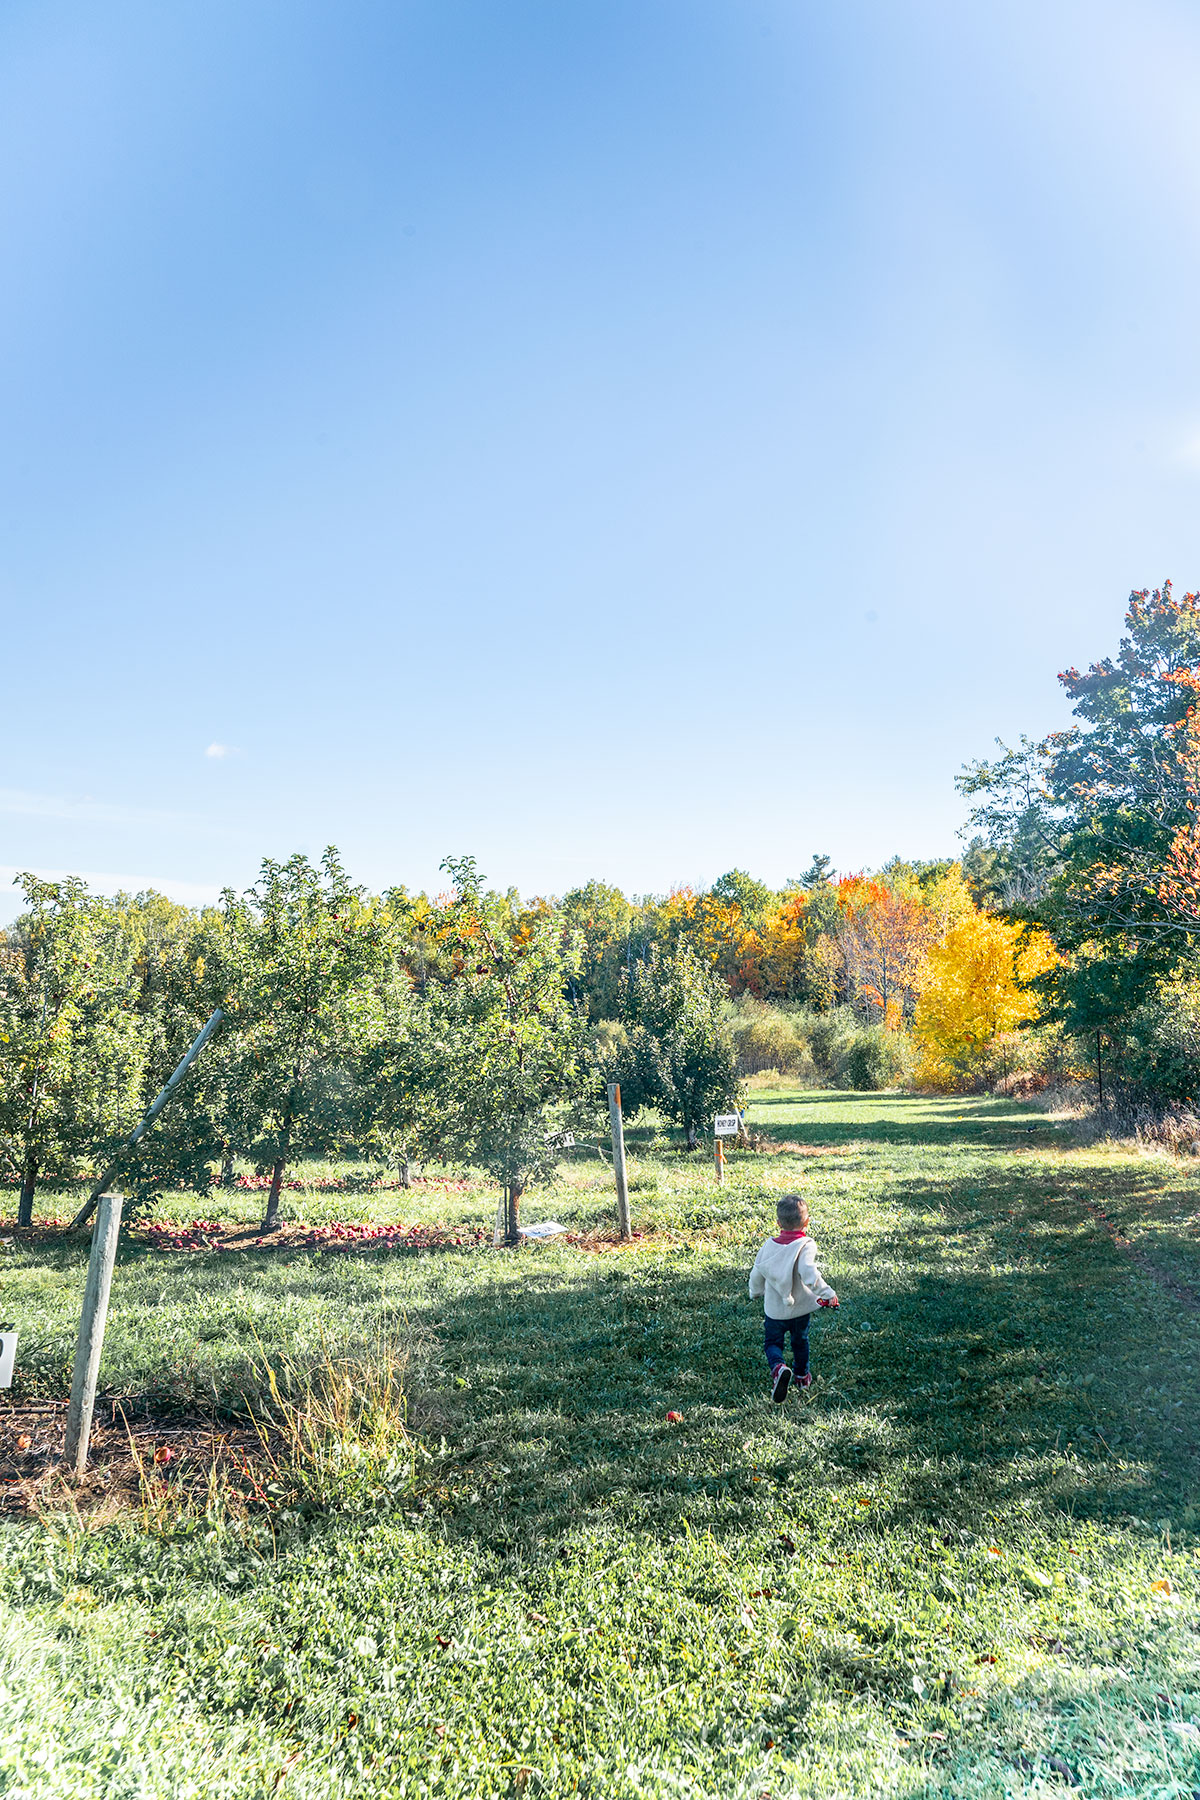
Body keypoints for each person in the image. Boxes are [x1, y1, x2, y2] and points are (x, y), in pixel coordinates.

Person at [748, 1194, 838, 1403]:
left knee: (772, 1342)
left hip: (775, 1309)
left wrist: (755, 1291)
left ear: (778, 1223)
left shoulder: (768, 1246)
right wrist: (828, 1294)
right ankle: (801, 1376)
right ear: (806, 1222)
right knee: (800, 1341)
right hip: (800, 1309)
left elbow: (756, 1273)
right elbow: (809, 1274)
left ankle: (779, 1367)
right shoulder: (806, 1244)